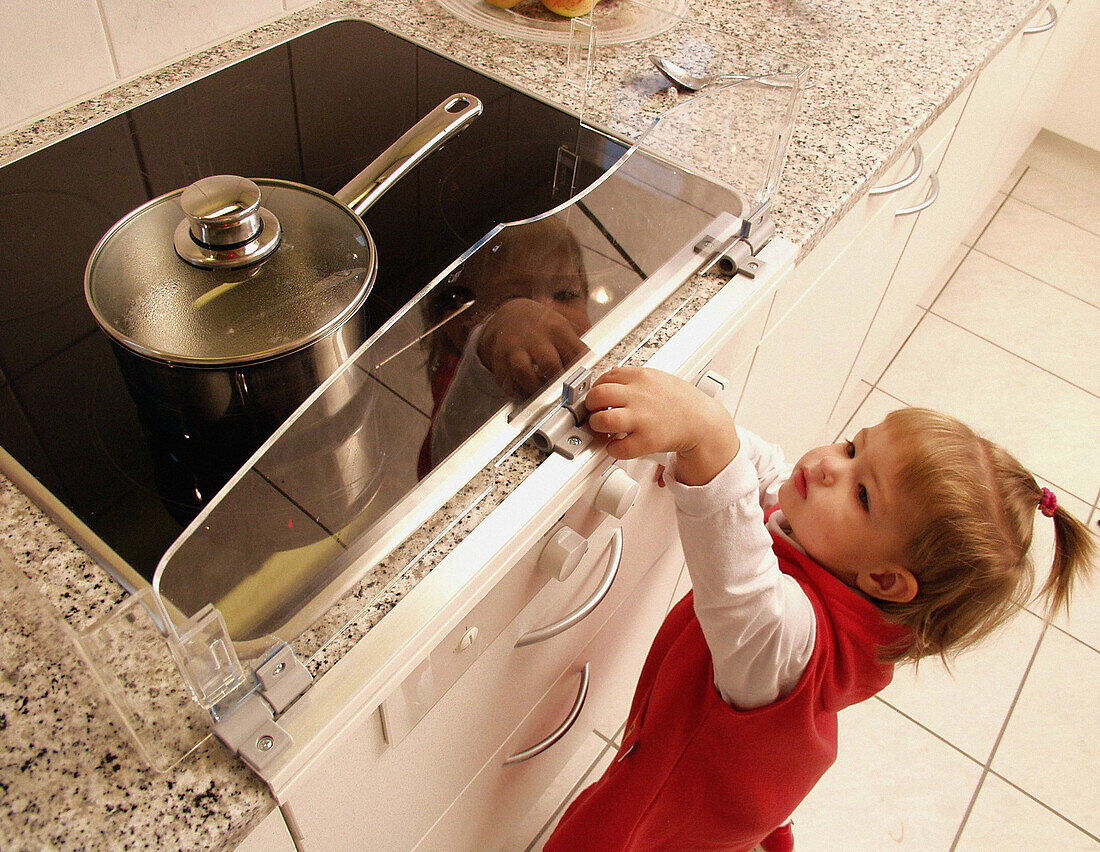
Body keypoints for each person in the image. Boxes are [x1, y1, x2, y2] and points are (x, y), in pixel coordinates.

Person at [544, 366, 1095, 852]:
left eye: (862, 493)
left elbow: (739, 580)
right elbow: (764, 476)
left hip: (677, 798)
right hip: (753, 772)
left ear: (884, 577)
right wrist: (701, 449)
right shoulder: (836, 550)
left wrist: (706, 443)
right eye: (853, 448)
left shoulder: (791, 646)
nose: (830, 466)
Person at [417, 216, 591, 476]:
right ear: (462, 327)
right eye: (515, 299)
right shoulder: (472, 389)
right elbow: (450, 457)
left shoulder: (584, 344)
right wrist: (489, 341)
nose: (546, 314)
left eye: (565, 294)